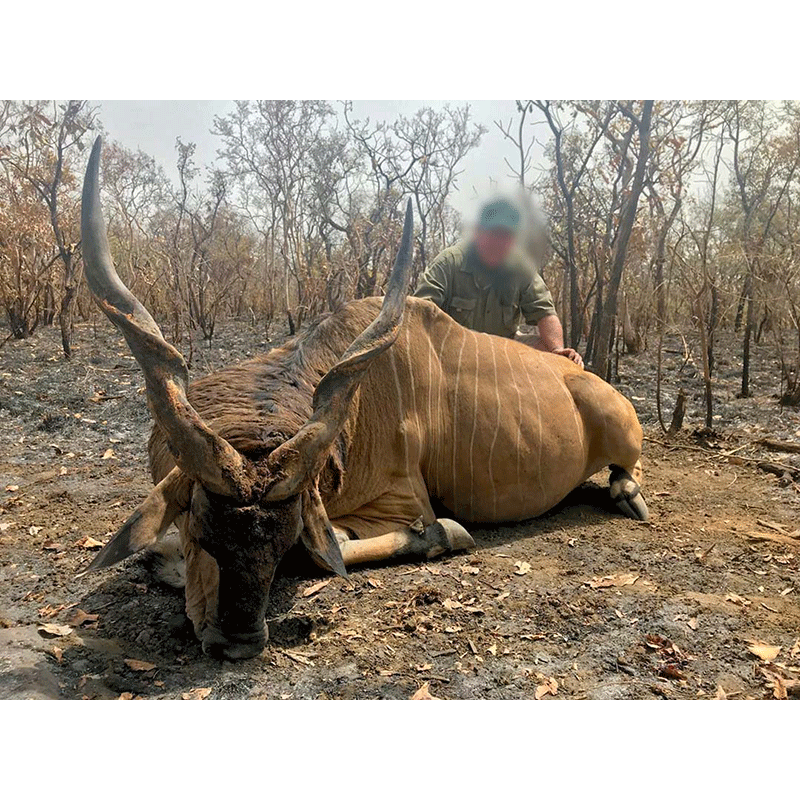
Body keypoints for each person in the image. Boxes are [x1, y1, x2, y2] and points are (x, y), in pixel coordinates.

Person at [414, 197, 583, 367]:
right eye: (494, 234)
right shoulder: (449, 262)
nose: (499, 242)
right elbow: (420, 310)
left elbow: (545, 313)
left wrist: (557, 350)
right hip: (453, 348)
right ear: (478, 233)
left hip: (502, 349)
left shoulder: (520, 268)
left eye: (506, 236)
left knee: (550, 350)